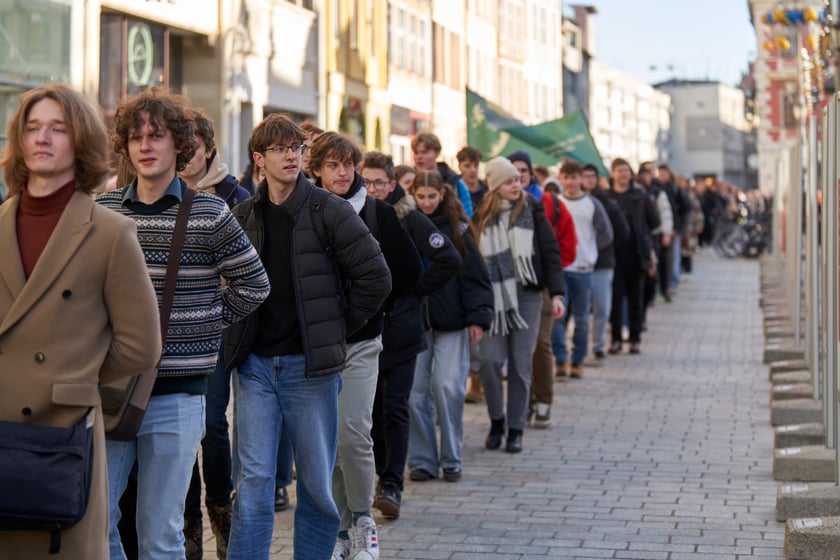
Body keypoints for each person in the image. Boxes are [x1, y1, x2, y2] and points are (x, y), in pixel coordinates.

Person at [97, 87, 270, 560]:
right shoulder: (104, 211)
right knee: (96, 522)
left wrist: (204, 326)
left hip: (178, 393)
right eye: (135, 138)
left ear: (180, 145)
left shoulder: (210, 213)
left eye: (156, 136)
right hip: (111, 390)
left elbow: (254, 285)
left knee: (161, 533)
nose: (145, 146)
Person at [0, 84, 160, 560]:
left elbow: (141, 346)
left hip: (63, 435)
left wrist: (75, 375)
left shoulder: (110, 232)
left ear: (80, 141)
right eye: (31, 128)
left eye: (57, 128)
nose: (41, 139)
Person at [224, 114, 391, 560]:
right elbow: (224, 284)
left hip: (309, 368)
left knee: (316, 483)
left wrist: (334, 329)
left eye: (296, 148)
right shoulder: (243, 215)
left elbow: (376, 278)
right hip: (256, 367)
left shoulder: (328, 209)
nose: (291, 155)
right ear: (259, 159)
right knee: (255, 480)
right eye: (280, 149)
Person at [309, 132, 420, 560]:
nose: (342, 172)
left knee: (354, 434)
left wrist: (371, 308)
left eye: (348, 164)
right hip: (317, 345)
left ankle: (363, 521)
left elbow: (407, 270)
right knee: (331, 442)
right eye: (333, 165)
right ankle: (339, 530)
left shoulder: (377, 213)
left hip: (362, 341)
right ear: (316, 169)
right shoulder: (305, 211)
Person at [362, 151, 461, 520]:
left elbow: (449, 258)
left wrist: (416, 290)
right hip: (364, 330)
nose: (372, 189)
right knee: (370, 411)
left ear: (392, 185)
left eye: (379, 183)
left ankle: (392, 485)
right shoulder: (351, 213)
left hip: (402, 330)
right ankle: (378, 474)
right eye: (366, 181)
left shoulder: (410, 218)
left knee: (396, 407)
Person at [180, 109, 252, 560]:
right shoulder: (158, 194)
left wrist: (217, 315)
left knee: (210, 426)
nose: (185, 156)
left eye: (192, 146)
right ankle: (187, 530)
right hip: (167, 333)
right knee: (180, 428)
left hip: (215, 329)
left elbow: (251, 275)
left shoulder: (234, 195)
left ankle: (219, 514)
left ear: (209, 148)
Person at [474, 157, 564, 454]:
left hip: (527, 296)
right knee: (490, 360)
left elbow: (551, 253)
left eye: (518, 180)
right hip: (494, 299)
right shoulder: (482, 217)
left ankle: (515, 429)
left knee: (521, 364)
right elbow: (472, 264)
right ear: (496, 186)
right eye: (510, 181)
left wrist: (558, 294)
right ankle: (497, 419)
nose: (517, 185)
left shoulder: (533, 211)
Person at [407, 170, 493, 483]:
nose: (427, 202)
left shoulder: (458, 230)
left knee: (447, 388)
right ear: (413, 196)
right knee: (415, 393)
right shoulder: (407, 225)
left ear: (442, 195)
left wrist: (478, 316)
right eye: (421, 197)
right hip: (416, 323)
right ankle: (422, 460)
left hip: (452, 321)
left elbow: (476, 277)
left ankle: (452, 457)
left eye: (432, 197)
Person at [551, 160, 613, 380]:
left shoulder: (592, 203)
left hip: (584, 268)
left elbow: (606, 233)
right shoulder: (556, 203)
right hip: (560, 268)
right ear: (561, 179)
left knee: (582, 318)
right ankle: (560, 358)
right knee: (557, 316)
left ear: (581, 179)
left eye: (574, 177)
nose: (570, 182)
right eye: (566, 178)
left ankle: (578, 359)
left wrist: (590, 250)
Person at [606, 158, 658, 355]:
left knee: (636, 298)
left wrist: (648, 254)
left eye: (626, 171)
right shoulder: (607, 197)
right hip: (614, 256)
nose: (623, 174)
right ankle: (616, 339)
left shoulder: (640, 196)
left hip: (636, 255)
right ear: (613, 174)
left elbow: (654, 223)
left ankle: (635, 338)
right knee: (615, 300)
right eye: (619, 171)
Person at [581, 163, 629, 362]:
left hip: (603, 262)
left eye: (592, 176)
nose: (589, 180)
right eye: (585, 176)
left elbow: (621, 231)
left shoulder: (606, 202)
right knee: (581, 310)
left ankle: (598, 345)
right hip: (578, 263)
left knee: (602, 306)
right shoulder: (570, 201)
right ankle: (579, 350)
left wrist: (603, 248)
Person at [455, 145, 489, 404]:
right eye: (466, 165)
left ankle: (478, 377)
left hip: (483, 253)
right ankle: (473, 377)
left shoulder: (487, 192)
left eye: (474, 165)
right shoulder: (457, 189)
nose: (471, 169)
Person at [411, 132, 473, 217]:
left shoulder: (455, 183)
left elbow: (467, 218)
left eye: (424, 152)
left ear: (436, 153)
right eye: (416, 153)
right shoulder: (408, 181)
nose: (419, 157)